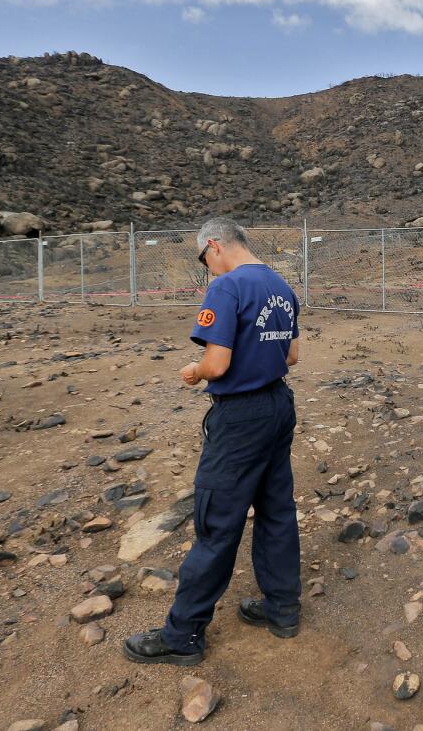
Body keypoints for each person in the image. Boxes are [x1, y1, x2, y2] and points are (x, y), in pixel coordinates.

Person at [124, 217, 302, 665]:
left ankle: (182, 634)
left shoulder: (227, 288)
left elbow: (217, 363)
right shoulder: (280, 284)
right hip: (278, 405)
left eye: (205, 259)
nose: (208, 269)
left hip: (241, 417)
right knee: (276, 508)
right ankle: (283, 610)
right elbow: (292, 355)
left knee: (216, 520)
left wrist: (194, 371)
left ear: (215, 245)